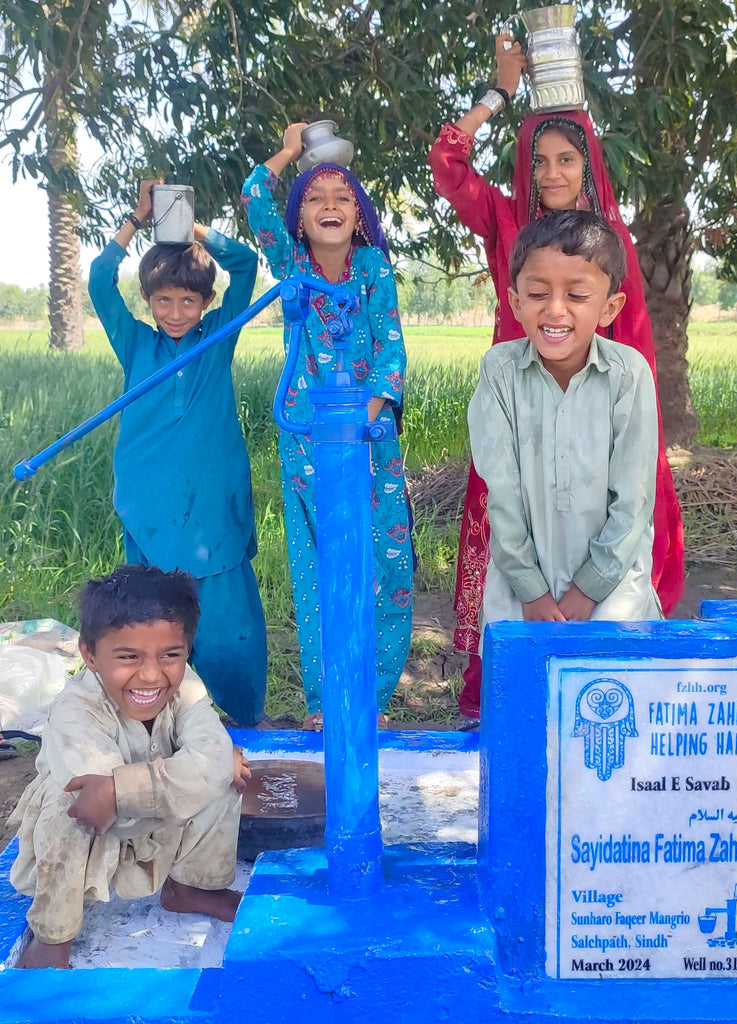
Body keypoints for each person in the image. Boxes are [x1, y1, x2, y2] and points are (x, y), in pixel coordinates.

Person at [429, 36, 683, 725]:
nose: (550, 172)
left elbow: (631, 345)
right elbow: (446, 165)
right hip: (516, 407)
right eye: (538, 160)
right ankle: (502, 695)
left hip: (594, 408)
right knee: (510, 533)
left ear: (588, 163)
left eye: (565, 159)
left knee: (607, 542)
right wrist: (497, 92)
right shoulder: (507, 217)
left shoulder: (610, 240)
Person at [241, 124, 413, 730]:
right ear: (300, 218)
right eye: (316, 198)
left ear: (360, 214)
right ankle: (324, 702)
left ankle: (377, 694)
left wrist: (359, 422)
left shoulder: (373, 269)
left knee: (385, 562)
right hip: (307, 442)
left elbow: (391, 356)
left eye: (342, 196)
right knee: (318, 566)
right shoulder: (290, 264)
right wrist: (290, 151)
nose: (330, 206)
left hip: (370, 440)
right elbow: (254, 194)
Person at [88, 180, 269, 728]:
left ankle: (240, 718)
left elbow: (243, 262)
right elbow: (99, 281)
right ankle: (154, 719)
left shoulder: (219, 335)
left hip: (211, 500)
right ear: (147, 299)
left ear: (206, 302)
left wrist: (184, 223)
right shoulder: (137, 342)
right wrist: (138, 220)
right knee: (151, 611)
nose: (174, 310)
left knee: (227, 618)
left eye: (188, 299)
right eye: (163, 299)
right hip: (148, 496)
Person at [8, 564, 250, 970]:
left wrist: (120, 790)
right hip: (93, 837)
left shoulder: (186, 685)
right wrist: (181, 776)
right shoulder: (75, 712)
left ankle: (190, 888)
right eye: (128, 656)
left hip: (155, 822)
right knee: (63, 803)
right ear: (90, 654)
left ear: (187, 650)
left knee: (226, 769)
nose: (152, 674)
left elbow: (208, 751)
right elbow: (105, 813)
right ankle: (53, 937)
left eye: (170, 655)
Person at [469, 211, 662, 644]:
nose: (555, 310)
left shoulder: (628, 375)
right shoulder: (500, 370)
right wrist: (530, 588)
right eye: (537, 292)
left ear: (610, 307)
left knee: (609, 695)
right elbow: (501, 491)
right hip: (522, 587)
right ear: (516, 302)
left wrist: (589, 588)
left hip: (612, 588)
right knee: (525, 693)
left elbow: (633, 500)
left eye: (577, 295)